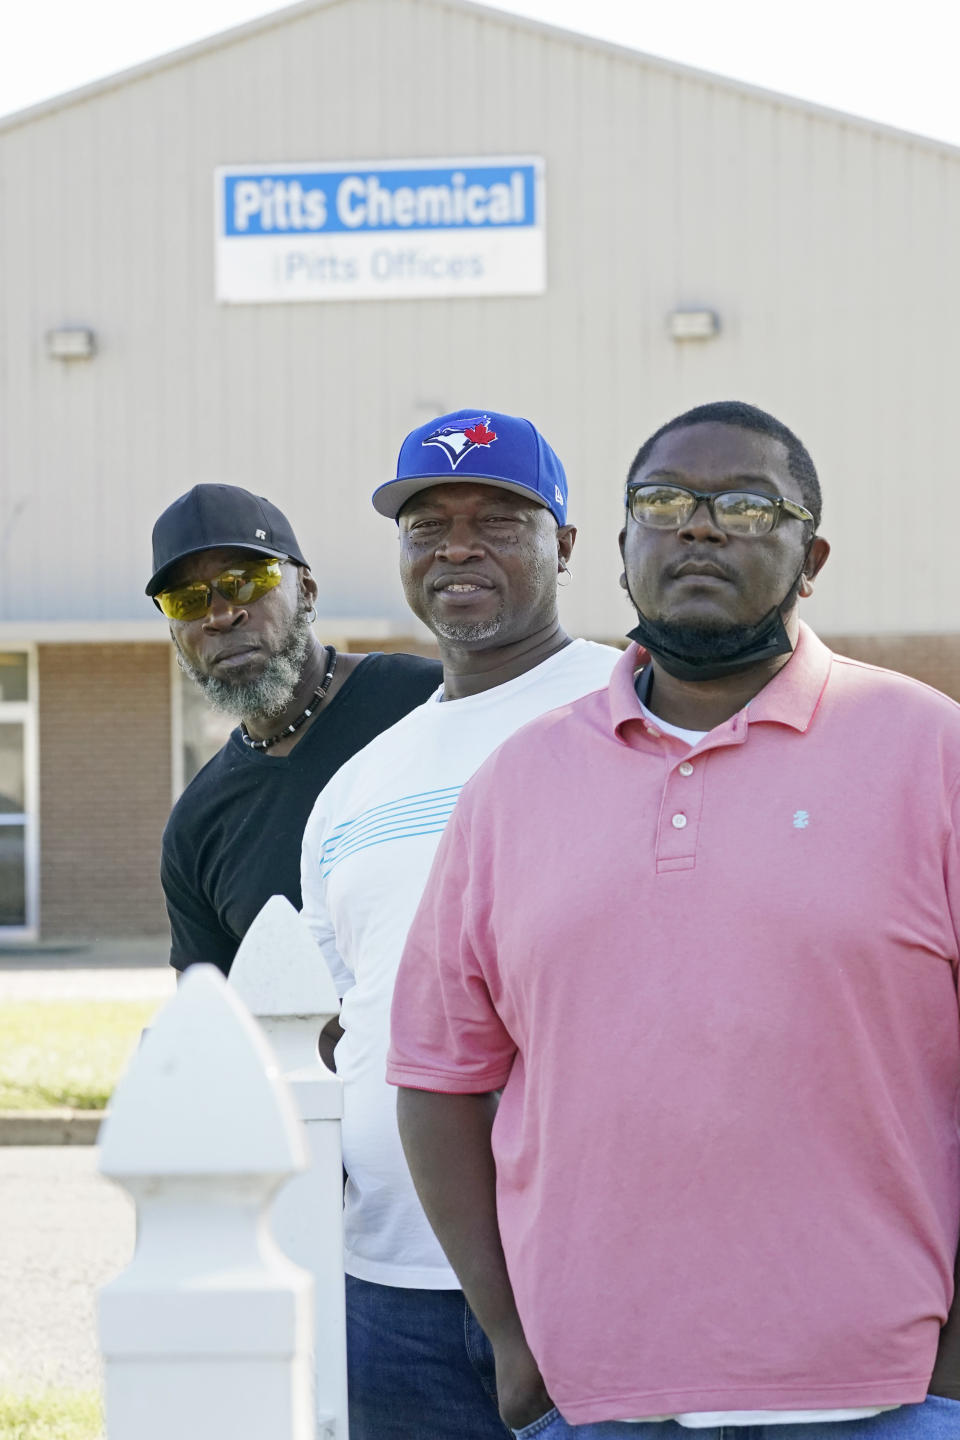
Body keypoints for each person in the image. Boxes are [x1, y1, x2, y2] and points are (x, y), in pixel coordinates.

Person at [389, 400, 960, 1439]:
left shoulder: (930, 751)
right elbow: (436, 1078)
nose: (697, 528)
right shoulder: (515, 785)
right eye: (664, 503)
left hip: (889, 1397)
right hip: (598, 1403)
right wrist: (514, 1340)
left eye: (745, 506)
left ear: (811, 554)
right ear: (619, 551)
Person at [299, 408, 620, 1439]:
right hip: (386, 1290)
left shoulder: (641, 706)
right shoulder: (354, 786)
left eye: (498, 518)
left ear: (564, 545)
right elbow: (344, 1015)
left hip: (600, 1271)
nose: (458, 547)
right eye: (427, 523)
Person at [147, 482, 440, 975]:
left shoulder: (429, 704)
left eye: (246, 580)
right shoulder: (197, 826)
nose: (221, 614)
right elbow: (215, 1023)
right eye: (187, 600)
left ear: (306, 587)